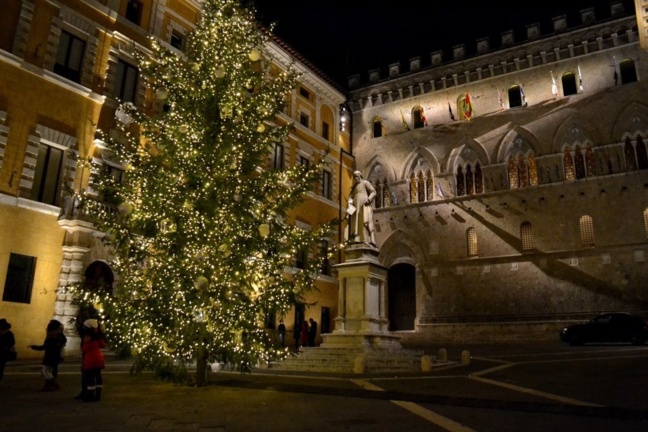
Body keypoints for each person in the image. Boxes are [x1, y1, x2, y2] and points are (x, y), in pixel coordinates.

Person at [29, 319, 67, 391]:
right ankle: (48, 386)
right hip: (55, 356)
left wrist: (34, 347)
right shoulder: (59, 336)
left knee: (45, 371)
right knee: (49, 371)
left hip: (50, 357)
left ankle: (54, 384)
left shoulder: (51, 338)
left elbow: (44, 347)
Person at [345, 170, 377, 245]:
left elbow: (373, 192)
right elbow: (351, 197)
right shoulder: (354, 187)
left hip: (363, 204)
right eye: (354, 177)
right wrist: (349, 203)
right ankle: (356, 238)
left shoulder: (365, 183)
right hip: (355, 206)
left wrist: (369, 199)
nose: (355, 178)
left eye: (356, 176)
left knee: (363, 220)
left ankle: (365, 238)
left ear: (360, 176)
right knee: (355, 222)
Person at [79, 319, 106, 402]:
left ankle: (90, 396)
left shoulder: (88, 337)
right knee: (98, 377)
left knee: (90, 378)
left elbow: (84, 349)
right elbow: (103, 345)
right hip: (99, 359)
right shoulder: (98, 336)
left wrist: (85, 344)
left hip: (90, 360)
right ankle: (98, 395)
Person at [0, 318, 16, 383]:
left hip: (2, 353)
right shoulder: (6, 333)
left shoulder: (8, 334)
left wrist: (6, 346)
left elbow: (12, 342)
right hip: (2, 353)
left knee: (0, 367)